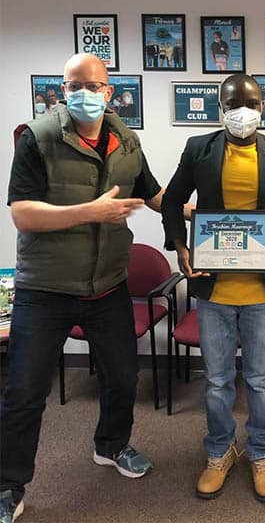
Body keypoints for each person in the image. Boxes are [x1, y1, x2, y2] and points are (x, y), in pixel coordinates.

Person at [0, 53, 171, 523]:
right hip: (46, 288)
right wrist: (89, 212)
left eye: (92, 86)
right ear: (63, 88)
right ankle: (9, 485)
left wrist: (196, 216)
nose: (83, 94)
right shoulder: (38, 138)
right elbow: (22, 213)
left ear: (109, 91)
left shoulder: (124, 137)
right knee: (25, 390)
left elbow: (151, 191)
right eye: (74, 85)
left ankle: (112, 446)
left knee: (122, 376)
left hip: (107, 284)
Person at [162, 73, 265, 504]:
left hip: (262, 291)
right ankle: (219, 451)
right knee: (218, 381)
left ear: (263, 106)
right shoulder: (198, 150)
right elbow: (172, 200)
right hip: (213, 291)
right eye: (232, 103)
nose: (242, 111)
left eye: (251, 102)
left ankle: (262, 454)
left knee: (261, 382)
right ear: (219, 107)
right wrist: (179, 246)